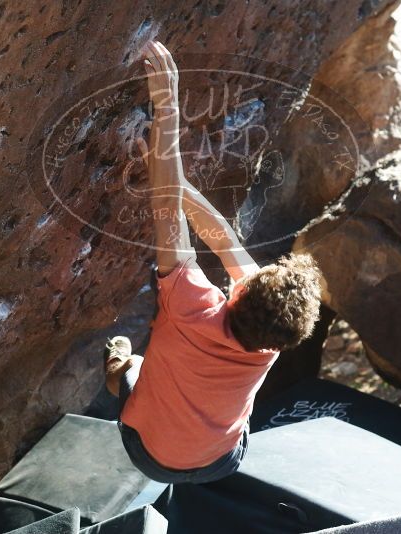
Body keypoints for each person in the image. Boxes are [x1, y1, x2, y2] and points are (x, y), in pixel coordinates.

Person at [104, 40, 322, 484]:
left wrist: (167, 102)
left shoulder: (192, 305)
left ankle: (118, 365)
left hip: (147, 453)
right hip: (219, 461)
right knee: (189, 392)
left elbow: (171, 215)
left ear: (240, 292)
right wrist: (172, 177)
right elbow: (219, 232)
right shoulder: (269, 345)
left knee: (133, 369)